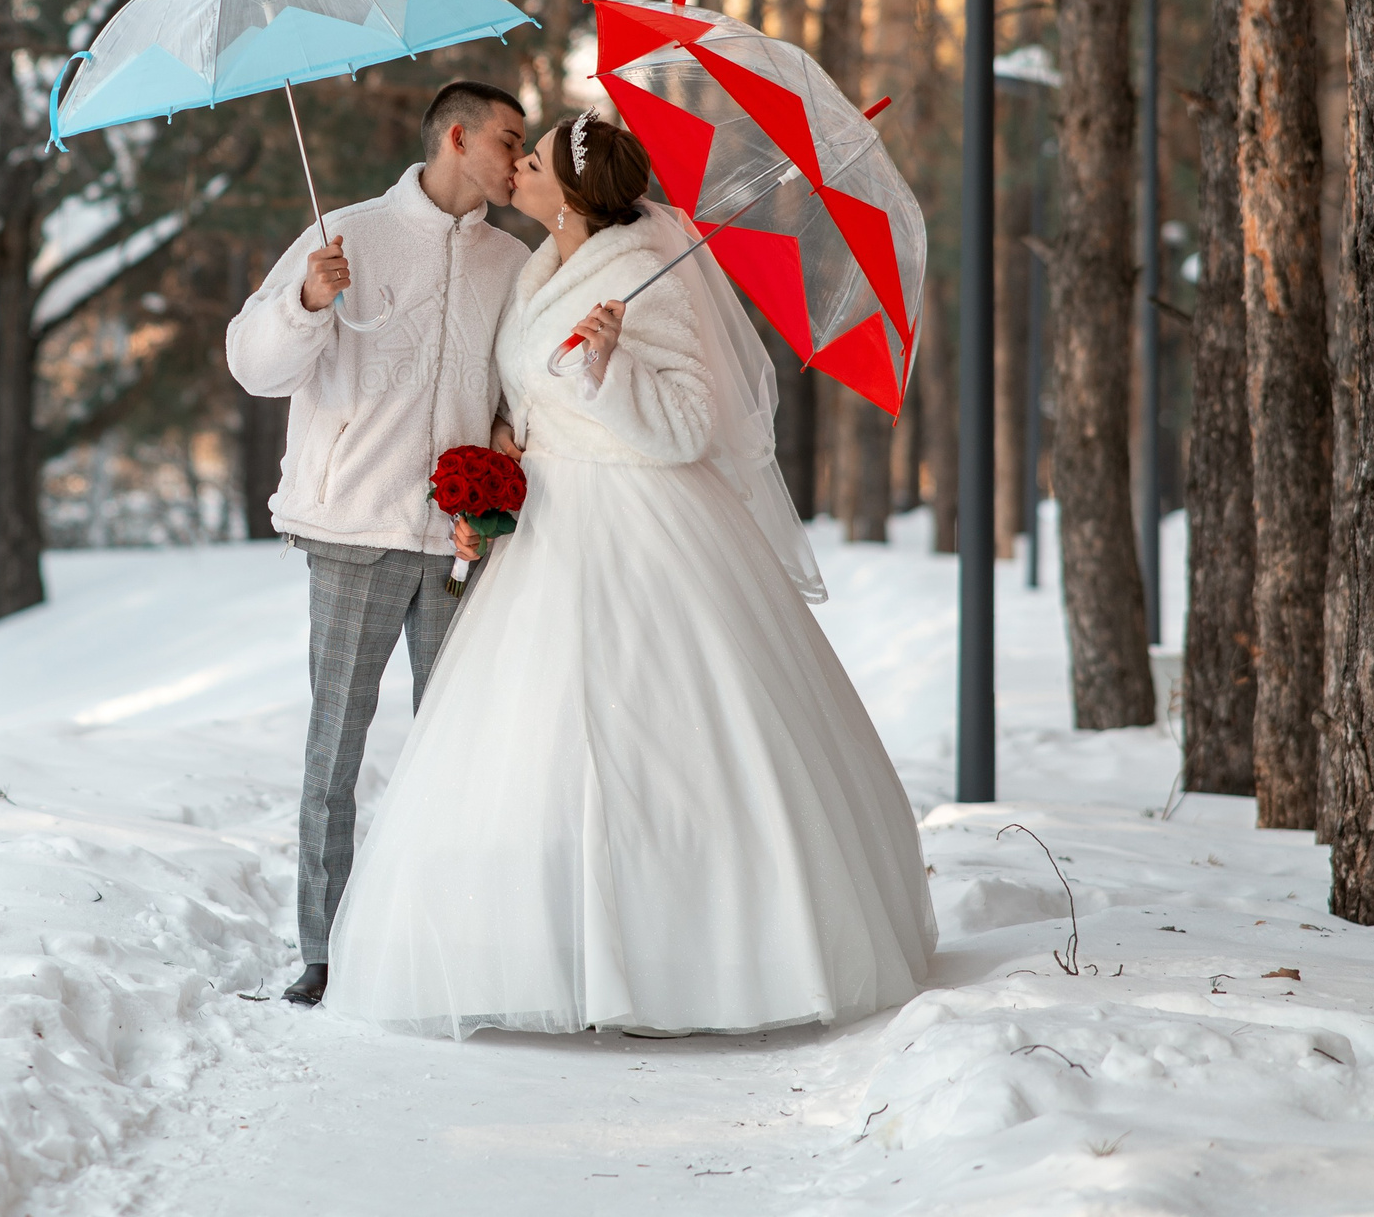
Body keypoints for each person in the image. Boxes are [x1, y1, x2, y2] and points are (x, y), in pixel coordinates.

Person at [321, 111, 935, 1039]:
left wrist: (612, 370)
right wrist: (506, 440)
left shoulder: (655, 276)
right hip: (549, 524)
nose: (515, 172)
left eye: (530, 163)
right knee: (537, 742)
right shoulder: (541, 268)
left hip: (644, 523)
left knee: (660, 738)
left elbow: (688, 424)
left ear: (568, 193)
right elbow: (532, 389)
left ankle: (690, 960)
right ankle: (543, 952)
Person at [225, 80, 532, 1008]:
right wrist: (306, 301)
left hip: (457, 542)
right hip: (353, 529)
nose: (521, 160)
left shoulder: (512, 263)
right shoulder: (346, 232)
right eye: (509, 140)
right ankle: (324, 952)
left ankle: (436, 941)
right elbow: (253, 364)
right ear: (456, 134)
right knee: (336, 751)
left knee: (457, 751)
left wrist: (507, 450)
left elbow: (513, 390)